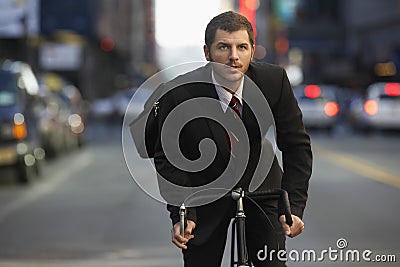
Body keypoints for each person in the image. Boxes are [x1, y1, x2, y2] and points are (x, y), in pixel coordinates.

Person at [133, 11, 312, 267]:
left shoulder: (274, 82)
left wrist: (293, 206)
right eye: (223, 47)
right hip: (204, 190)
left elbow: (296, 146)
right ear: (207, 53)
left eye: (242, 47)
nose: (233, 57)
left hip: (261, 186)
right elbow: (168, 158)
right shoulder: (181, 92)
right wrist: (182, 214)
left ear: (252, 50)